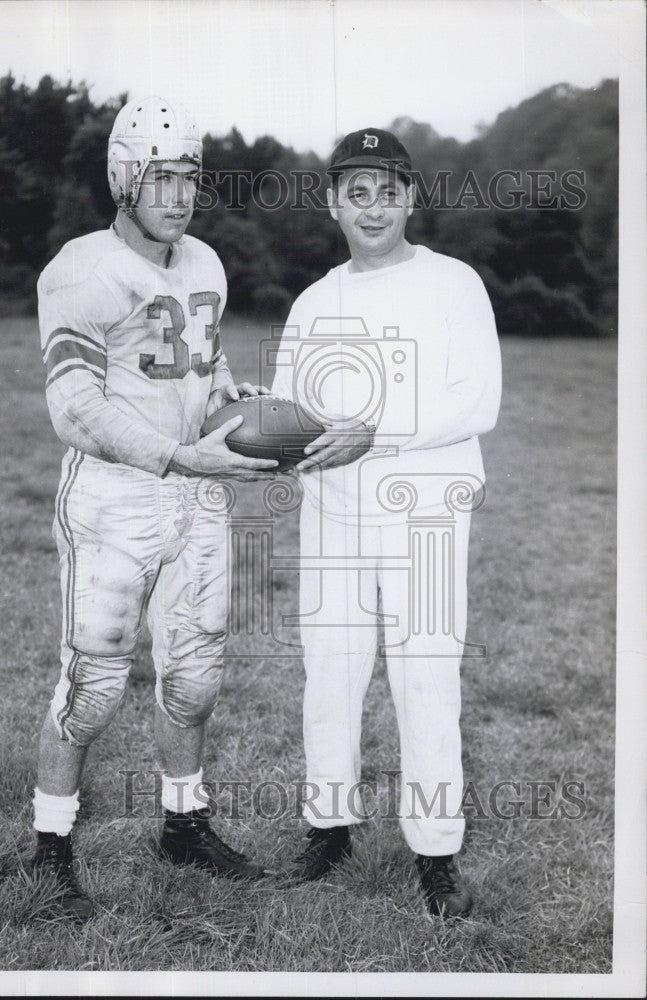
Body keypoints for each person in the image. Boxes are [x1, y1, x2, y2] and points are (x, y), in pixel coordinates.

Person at [31, 96, 277, 921]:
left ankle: (183, 824)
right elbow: (74, 404)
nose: (179, 195)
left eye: (191, 178)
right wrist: (174, 453)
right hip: (117, 495)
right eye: (163, 177)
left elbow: (197, 362)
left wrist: (228, 394)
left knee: (196, 678)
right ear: (125, 178)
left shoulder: (204, 261)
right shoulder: (81, 268)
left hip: (198, 491)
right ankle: (49, 845)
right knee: (93, 684)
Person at [270, 128, 502, 918]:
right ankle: (328, 825)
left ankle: (435, 851)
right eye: (356, 192)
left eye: (388, 190)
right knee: (329, 670)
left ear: (411, 197)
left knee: (425, 674)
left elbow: (478, 402)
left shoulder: (454, 284)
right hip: (333, 509)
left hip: (427, 509)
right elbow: (288, 415)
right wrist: (247, 422)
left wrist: (377, 428)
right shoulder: (313, 300)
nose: (373, 207)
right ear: (333, 202)